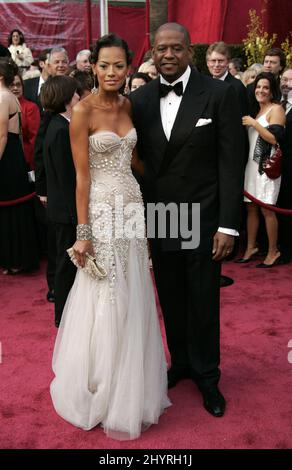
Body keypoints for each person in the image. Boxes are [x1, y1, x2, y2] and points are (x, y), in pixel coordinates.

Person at [50, 33, 170, 439]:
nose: (113, 72)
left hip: (132, 209)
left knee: (134, 288)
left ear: (128, 67)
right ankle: (102, 385)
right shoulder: (83, 111)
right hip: (100, 213)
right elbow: (81, 178)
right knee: (106, 291)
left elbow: (134, 160)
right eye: (105, 65)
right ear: (93, 67)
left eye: (120, 65)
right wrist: (83, 234)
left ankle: (130, 383)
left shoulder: (128, 105)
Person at [130, 23, 245, 418]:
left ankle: (208, 376)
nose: (167, 55)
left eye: (176, 48)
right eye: (161, 48)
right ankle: (179, 362)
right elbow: (137, 162)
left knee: (202, 300)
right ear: (153, 52)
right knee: (172, 295)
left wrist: (228, 225)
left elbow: (231, 164)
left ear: (189, 51)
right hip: (162, 213)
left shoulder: (220, 93)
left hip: (203, 212)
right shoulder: (141, 98)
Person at [41, 76, 79, 327]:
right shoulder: (60, 130)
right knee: (67, 265)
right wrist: (78, 217)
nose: (79, 98)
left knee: (67, 264)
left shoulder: (57, 125)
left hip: (61, 209)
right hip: (66, 212)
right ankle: (62, 317)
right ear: (66, 99)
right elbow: (67, 179)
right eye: (76, 94)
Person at [238, 72, 285, 267]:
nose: (261, 91)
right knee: (251, 207)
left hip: (266, 168)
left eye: (265, 87)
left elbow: (275, 139)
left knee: (267, 209)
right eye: (258, 87)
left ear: (272, 90)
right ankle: (251, 247)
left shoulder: (276, 109)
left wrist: (254, 124)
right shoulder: (256, 110)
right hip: (251, 166)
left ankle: (273, 251)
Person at [0, 58, 39, 274]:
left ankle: (15, 259)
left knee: (11, 209)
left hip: (7, 157)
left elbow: (2, 135)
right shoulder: (11, 98)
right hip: (13, 156)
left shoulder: (3, 97)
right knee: (13, 210)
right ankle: (16, 258)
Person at [10, 72, 40, 170]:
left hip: (25, 161)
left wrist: (33, 166)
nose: (15, 88)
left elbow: (34, 139)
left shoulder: (30, 107)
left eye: (18, 85)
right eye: (11, 85)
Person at [278, 68, 292, 264]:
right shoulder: (276, 104)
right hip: (277, 166)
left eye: (291, 80)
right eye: (285, 79)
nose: (287, 83)